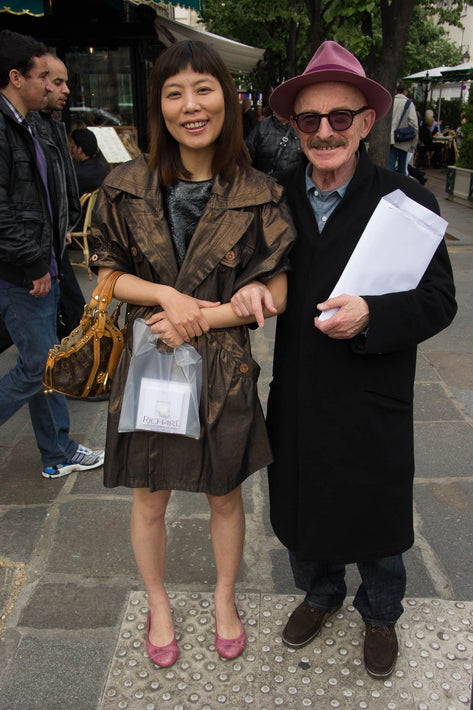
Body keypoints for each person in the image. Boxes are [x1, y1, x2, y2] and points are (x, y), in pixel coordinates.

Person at [231, 40, 457, 679]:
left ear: (365, 123)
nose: (325, 131)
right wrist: (247, 288)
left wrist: (375, 315)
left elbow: (440, 301)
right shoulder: (275, 200)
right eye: (310, 120)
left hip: (373, 389)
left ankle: (381, 612)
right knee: (305, 501)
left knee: (375, 509)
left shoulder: (407, 204)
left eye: (340, 118)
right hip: (301, 388)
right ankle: (320, 594)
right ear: (294, 127)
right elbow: (254, 273)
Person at [89, 40, 295, 668]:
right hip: (151, 363)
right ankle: (157, 602)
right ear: (159, 106)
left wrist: (199, 318)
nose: (190, 105)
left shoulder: (260, 191)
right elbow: (104, 273)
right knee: (149, 494)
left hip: (223, 369)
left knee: (224, 493)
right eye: (174, 92)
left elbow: (279, 291)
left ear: (226, 101)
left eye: (203, 89)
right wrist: (164, 298)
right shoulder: (125, 186)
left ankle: (225, 597)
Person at [0, 30, 105, 478]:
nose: (54, 87)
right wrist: (31, 264)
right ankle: (58, 450)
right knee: (41, 364)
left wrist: (54, 239)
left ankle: (57, 452)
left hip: (41, 263)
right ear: (16, 77)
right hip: (24, 273)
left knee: (47, 362)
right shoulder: (9, 127)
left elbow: (39, 197)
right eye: (45, 77)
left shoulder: (31, 125)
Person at [28, 53, 86, 338]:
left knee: (72, 314)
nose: (66, 90)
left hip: (52, 240)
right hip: (37, 246)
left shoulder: (51, 126)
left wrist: (63, 225)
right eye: (57, 81)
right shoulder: (29, 128)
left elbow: (57, 185)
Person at [389, 82, 418, 174]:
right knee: (402, 167)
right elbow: (414, 124)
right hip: (404, 138)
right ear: (405, 91)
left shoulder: (390, 101)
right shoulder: (409, 104)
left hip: (390, 138)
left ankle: (390, 184)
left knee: (391, 165)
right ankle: (400, 186)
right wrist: (414, 143)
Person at [70, 127, 108, 194]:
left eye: (73, 147)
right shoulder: (102, 168)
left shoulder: (76, 174)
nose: (72, 150)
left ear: (79, 149)